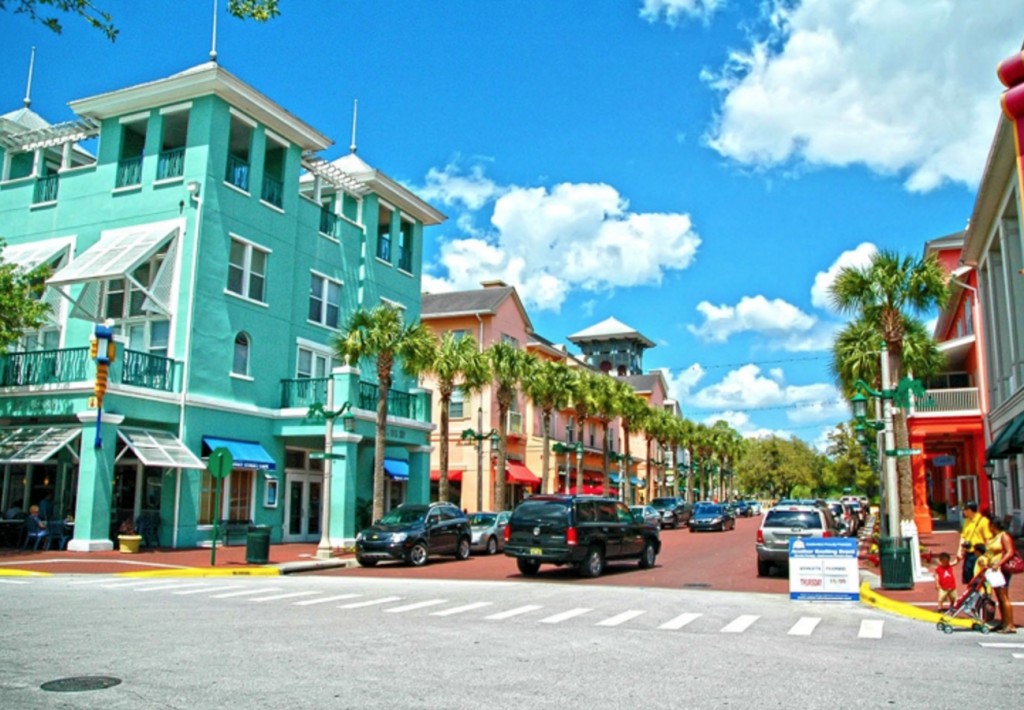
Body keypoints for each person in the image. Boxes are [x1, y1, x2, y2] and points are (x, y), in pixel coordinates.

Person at [984, 517, 1017, 634]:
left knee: (1004, 595)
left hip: (1002, 569)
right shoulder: (995, 537)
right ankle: (1004, 622)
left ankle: (1010, 624)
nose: (989, 527)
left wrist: (999, 563)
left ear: (994, 525)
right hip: (994, 570)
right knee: (999, 596)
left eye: (990, 525)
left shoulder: (1004, 536)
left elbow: (1010, 552)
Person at [959, 502, 992, 584]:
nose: (963, 512)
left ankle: (982, 595)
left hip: (978, 554)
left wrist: (988, 556)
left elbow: (988, 539)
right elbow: (963, 537)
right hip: (968, 553)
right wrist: (960, 551)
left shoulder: (983, 521)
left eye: (965, 510)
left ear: (970, 510)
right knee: (968, 576)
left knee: (979, 578)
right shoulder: (966, 521)